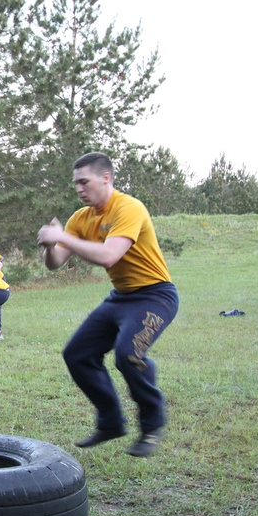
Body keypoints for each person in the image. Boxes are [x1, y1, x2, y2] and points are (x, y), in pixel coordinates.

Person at [37, 151, 179, 458]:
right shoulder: (80, 218)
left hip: (155, 295)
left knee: (129, 354)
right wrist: (50, 246)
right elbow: (55, 263)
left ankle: (152, 425)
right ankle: (111, 422)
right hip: (120, 297)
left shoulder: (129, 208)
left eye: (84, 182)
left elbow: (108, 255)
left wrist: (62, 236)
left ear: (106, 178)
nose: (79, 189)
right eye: (76, 184)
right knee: (77, 354)